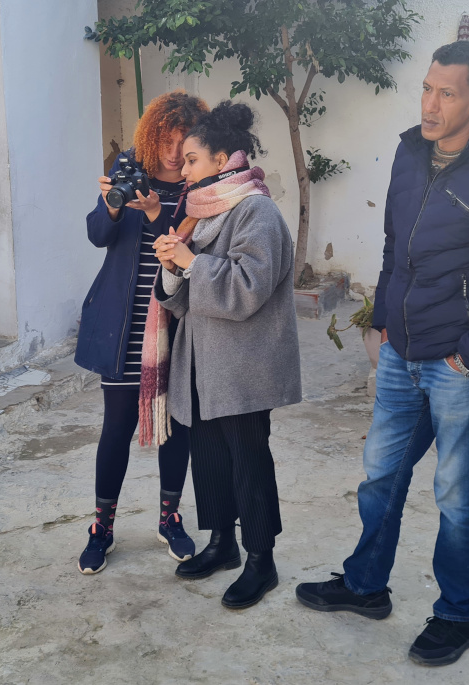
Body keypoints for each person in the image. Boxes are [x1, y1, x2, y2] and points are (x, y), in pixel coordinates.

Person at [295, 41, 469, 665]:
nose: (431, 104)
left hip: (458, 366)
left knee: (456, 494)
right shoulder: (411, 149)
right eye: (426, 88)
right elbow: (397, 241)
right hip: (401, 354)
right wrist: (386, 316)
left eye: (447, 93)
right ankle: (365, 586)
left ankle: (458, 615)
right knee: (379, 476)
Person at [153, 101, 302, 610]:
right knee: (210, 457)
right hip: (200, 361)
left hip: (243, 365)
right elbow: (180, 298)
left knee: (249, 460)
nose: (183, 169)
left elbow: (247, 289)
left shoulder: (256, 211)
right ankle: (222, 544)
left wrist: (191, 261)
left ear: (222, 159)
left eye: (192, 160)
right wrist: (173, 267)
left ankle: (262, 560)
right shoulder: (201, 213)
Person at [74, 91, 209, 575]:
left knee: (177, 428)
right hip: (126, 324)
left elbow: (176, 252)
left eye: (183, 141)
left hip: (179, 322)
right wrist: (114, 205)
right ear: (152, 135)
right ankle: (102, 527)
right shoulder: (132, 172)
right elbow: (97, 234)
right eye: (166, 139)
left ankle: (169, 518)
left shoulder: (201, 187)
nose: (174, 152)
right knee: (117, 427)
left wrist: (157, 212)